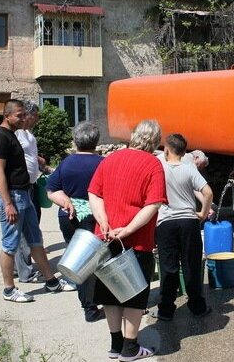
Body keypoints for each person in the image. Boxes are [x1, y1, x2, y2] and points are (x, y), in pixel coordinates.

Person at [88, 119, 167, 361]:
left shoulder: (110, 159)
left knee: (109, 292)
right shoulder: (153, 164)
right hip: (137, 241)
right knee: (135, 295)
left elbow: (93, 192)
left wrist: (103, 221)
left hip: (105, 238)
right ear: (154, 141)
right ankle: (130, 348)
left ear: (133, 136)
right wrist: (128, 229)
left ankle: (116, 345)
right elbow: (153, 204)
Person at [0, 99, 74, 303]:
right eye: (18, 115)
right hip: (12, 197)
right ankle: (9, 289)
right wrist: (7, 203)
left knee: (36, 240)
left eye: (23, 114)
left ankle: (51, 281)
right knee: (10, 244)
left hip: (24, 193)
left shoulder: (13, 135)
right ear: (7, 115)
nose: (22, 118)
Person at [47, 121, 105, 322]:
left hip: (69, 217)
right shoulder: (102, 163)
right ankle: (99, 304)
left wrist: (66, 201)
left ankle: (88, 307)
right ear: (96, 141)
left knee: (81, 263)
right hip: (96, 218)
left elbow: (51, 190)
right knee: (99, 261)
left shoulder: (66, 162)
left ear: (75, 141)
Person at [152, 134, 213, 321]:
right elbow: (208, 192)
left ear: (166, 150)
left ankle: (165, 311)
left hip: (166, 223)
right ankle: (197, 307)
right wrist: (203, 213)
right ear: (185, 152)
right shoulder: (189, 168)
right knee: (191, 265)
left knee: (168, 267)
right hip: (189, 221)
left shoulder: (158, 167)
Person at [14, 102, 46, 284]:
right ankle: (24, 271)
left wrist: (41, 162)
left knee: (29, 228)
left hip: (31, 186)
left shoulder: (28, 134)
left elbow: (29, 155)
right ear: (27, 115)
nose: (37, 119)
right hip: (21, 188)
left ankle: (19, 268)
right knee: (24, 231)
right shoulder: (17, 134)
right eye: (36, 115)